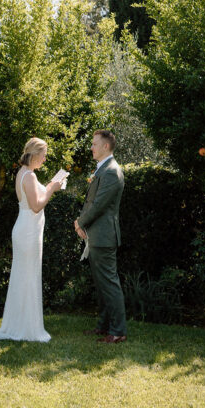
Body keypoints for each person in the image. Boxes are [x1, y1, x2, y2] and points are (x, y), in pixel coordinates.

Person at [0, 137, 65, 342]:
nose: (45, 159)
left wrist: (52, 185)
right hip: (28, 232)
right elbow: (36, 206)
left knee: (25, 277)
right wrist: (52, 189)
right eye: (43, 155)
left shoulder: (25, 174)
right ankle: (27, 328)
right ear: (34, 154)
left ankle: (21, 323)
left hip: (27, 229)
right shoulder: (29, 177)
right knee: (27, 277)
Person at [75, 129, 127, 344]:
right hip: (96, 235)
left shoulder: (111, 171)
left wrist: (80, 222)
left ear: (106, 146)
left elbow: (98, 205)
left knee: (109, 283)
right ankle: (104, 327)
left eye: (95, 144)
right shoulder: (103, 169)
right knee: (102, 284)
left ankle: (118, 331)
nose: (91, 147)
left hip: (104, 237)